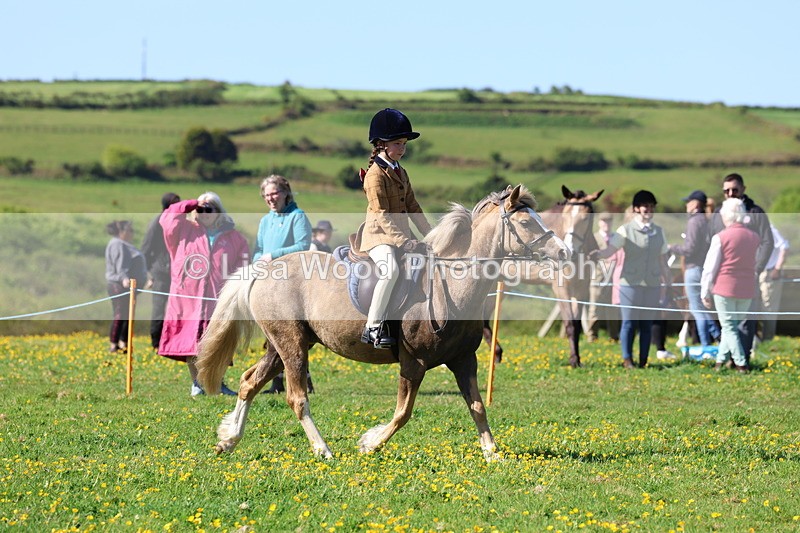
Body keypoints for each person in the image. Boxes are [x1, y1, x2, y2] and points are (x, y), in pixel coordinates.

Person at [159, 192, 250, 396]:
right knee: (191, 342)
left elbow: (242, 266)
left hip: (218, 299)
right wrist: (191, 204)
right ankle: (197, 384)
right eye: (200, 210)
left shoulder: (234, 238)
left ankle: (217, 383)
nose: (204, 213)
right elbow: (167, 219)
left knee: (219, 341)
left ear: (218, 212)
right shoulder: (183, 231)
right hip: (187, 298)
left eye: (209, 209)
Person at [359, 108, 432, 348]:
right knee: (390, 270)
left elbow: (413, 206)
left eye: (404, 144)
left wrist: (432, 235)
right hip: (379, 238)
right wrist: (403, 241)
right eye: (398, 144)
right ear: (381, 144)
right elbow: (381, 215)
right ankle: (372, 327)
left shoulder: (401, 171)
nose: (402, 149)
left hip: (401, 236)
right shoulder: (374, 175)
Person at [591, 191, 671, 369]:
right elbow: (610, 250)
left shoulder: (659, 232)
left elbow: (662, 260)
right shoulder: (625, 230)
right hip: (630, 283)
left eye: (651, 206)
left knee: (647, 324)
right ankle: (627, 359)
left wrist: (668, 281)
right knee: (629, 323)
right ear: (636, 209)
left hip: (652, 283)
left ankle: (643, 360)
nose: (649, 210)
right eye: (645, 206)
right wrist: (598, 254)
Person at [253, 175, 313, 394]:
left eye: (274, 193)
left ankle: (300, 380)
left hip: (292, 282)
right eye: (267, 195)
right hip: (268, 282)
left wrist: (273, 256)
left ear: (286, 192)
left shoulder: (297, 217)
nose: (271, 198)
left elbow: (303, 245)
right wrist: (257, 263)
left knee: (292, 336)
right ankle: (280, 382)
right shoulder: (265, 221)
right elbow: (258, 249)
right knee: (274, 336)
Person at [709, 173, 773, 361]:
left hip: (748, 275)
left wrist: (756, 268)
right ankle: (727, 359)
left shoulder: (756, 213)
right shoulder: (718, 214)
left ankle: (741, 359)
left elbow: (767, 242)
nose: (730, 193)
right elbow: (711, 242)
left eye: (734, 190)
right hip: (724, 277)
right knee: (727, 321)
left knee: (746, 320)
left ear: (743, 189)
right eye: (726, 191)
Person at [701, 198, 760, 372]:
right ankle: (720, 361)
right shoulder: (754, 237)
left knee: (729, 327)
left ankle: (741, 363)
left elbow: (710, 267)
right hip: (747, 288)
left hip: (725, 287)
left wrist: (704, 291)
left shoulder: (720, 237)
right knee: (731, 327)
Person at [668, 189, 720, 348]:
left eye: (688, 202)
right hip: (704, 268)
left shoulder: (693, 221)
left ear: (695, 204)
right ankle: (718, 338)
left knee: (697, 311)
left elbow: (689, 249)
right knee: (702, 309)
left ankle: (708, 343)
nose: (686, 205)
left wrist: (672, 247)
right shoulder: (706, 221)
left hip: (693, 268)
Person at [141, 192, 181, 349]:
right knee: (159, 307)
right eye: (175, 203)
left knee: (177, 308)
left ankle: (172, 340)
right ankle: (156, 343)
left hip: (178, 272)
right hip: (160, 272)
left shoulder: (181, 222)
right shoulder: (157, 222)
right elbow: (145, 249)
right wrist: (148, 274)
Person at [105, 220, 148, 353]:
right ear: (122, 232)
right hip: (120, 285)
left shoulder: (123, 244)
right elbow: (120, 265)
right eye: (130, 230)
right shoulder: (118, 244)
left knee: (127, 314)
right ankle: (114, 344)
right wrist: (124, 279)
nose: (132, 233)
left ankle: (124, 342)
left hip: (127, 285)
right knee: (120, 313)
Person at [587, 213, 619, 342]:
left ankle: (614, 336)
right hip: (598, 278)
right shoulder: (594, 238)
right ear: (599, 222)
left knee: (613, 310)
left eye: (609, 220)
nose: (606, 223)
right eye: (604, 221)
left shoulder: (617, 238)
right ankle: (592, 336)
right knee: (595, 309)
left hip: (614, 279)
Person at [759, 224, 789, 341]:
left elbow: (784, 246)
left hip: (769, 272)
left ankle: (767, 341)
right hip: (757, 272)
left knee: (768, 309)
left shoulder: (770, 229)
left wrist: (777, 268)